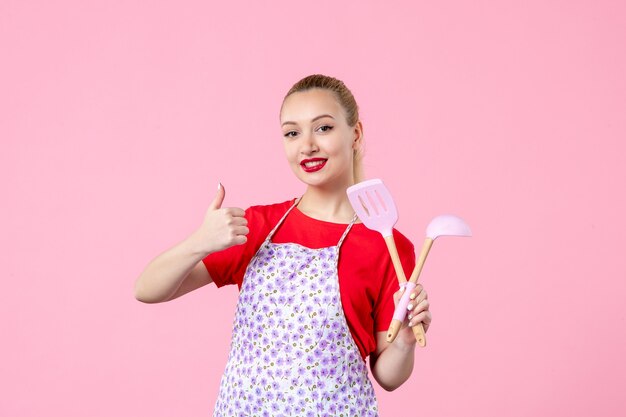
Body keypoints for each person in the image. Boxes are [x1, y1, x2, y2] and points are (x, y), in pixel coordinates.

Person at [134, 74, 432, 416]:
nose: (307, 145)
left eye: (323, 128)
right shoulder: (257, 226)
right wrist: (199, 242)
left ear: (356, 134)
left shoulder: (388, 246)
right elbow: (147, 288)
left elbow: (388, 376)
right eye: (292, 133)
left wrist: (406, 341)